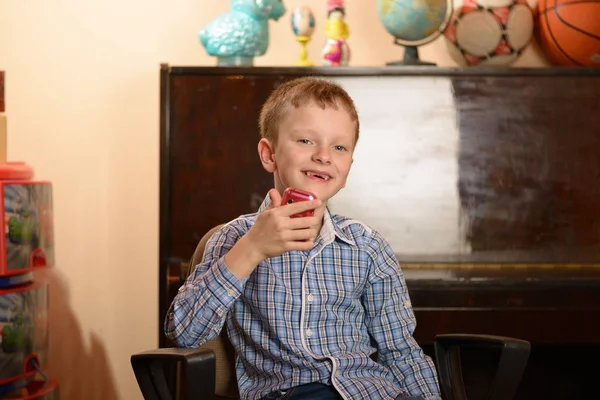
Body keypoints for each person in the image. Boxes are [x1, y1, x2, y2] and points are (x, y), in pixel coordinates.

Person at [165, 77, 441, 400]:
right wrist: (251, 249)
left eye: (339, 147)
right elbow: (183, 334)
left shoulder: (368, 247)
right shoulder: (234, 238)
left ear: (348, 166)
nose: (324, 156)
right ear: (269, 155)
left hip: (372, 391)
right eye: (306, 141)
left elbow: (401, 353)